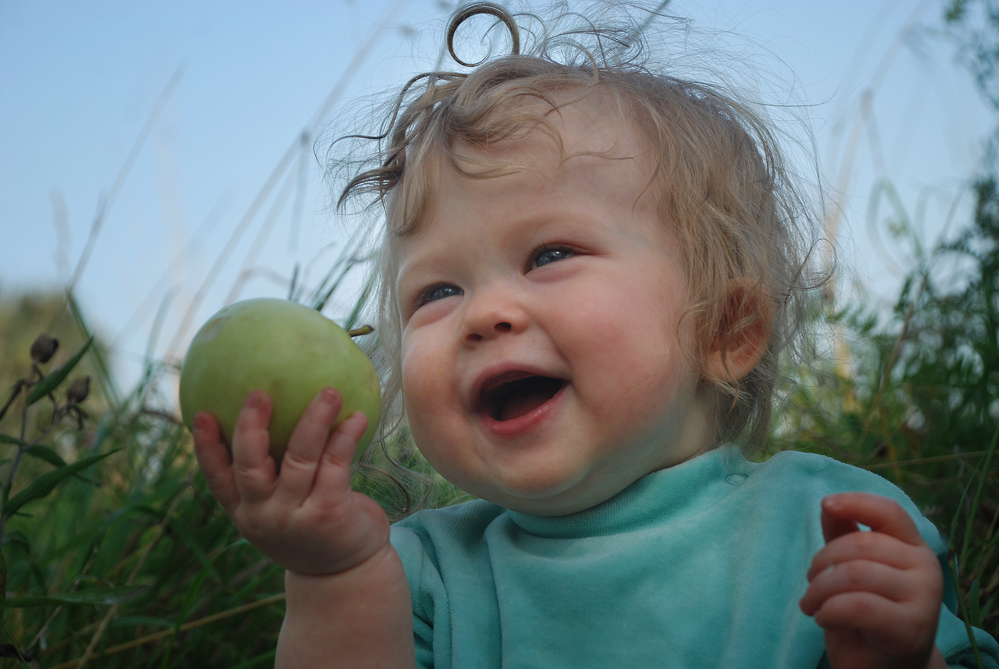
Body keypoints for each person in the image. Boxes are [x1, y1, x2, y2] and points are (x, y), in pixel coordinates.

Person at [192, 3, 999, 667]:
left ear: (725, 329)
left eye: (549, 254)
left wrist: (902, 657)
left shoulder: (827, 527)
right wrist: (332, 575)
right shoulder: (419, 577)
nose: (482, 313)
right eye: (436, 290)